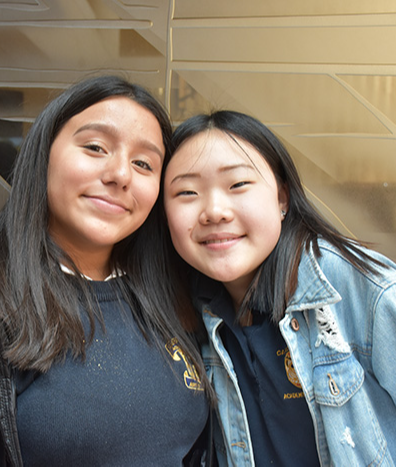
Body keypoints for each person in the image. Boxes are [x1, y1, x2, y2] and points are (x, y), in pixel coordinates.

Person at [0, 75, 212, 466]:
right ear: (43, 153)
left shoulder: (174, 297)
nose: (120, 174)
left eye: (143, 163)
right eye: (95, 147)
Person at [163, 110, 396, 466]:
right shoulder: (189, 314)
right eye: (187, 192)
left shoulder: (358, 286)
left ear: (282, 198)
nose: (214, 211)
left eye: (238, 185)